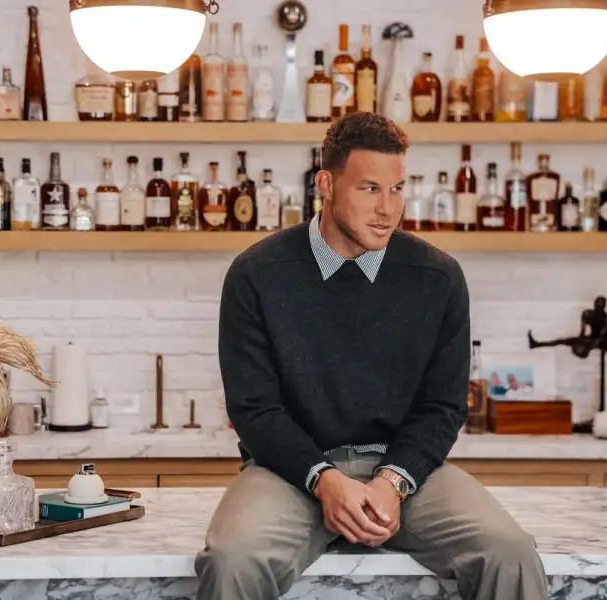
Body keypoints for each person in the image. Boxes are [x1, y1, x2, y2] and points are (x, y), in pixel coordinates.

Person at [195, 113, 548, 600]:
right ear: (326, 184)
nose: (388, 209)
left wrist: (391, 482)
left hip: (406, 473)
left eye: (398, 189)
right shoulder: (257, 273)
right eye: (369, 189)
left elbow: (443, 407)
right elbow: (254, 409)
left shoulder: (438, 277)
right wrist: (324, 480)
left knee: (510, 553)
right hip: (290, 472)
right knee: (233, 559)